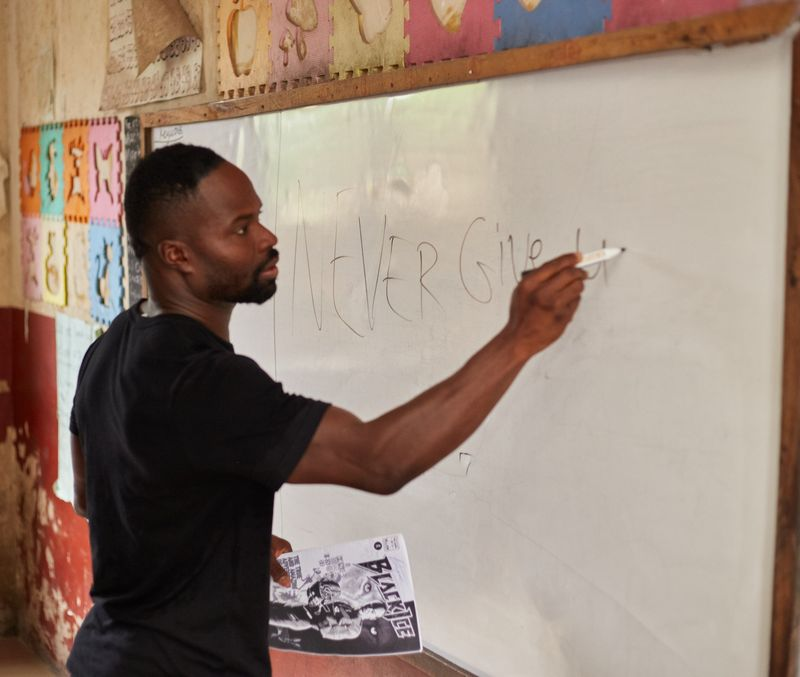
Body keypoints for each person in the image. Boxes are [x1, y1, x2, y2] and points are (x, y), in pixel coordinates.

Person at [66, 144, 587, 676]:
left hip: (105, 656)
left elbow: (93, 499)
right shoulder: (209, 382)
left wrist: (220, 542)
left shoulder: (111, 346)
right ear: (178, 255)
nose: (267, 238)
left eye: (258, 217)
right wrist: (518, 338)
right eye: (241, 229)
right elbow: (378, 460)